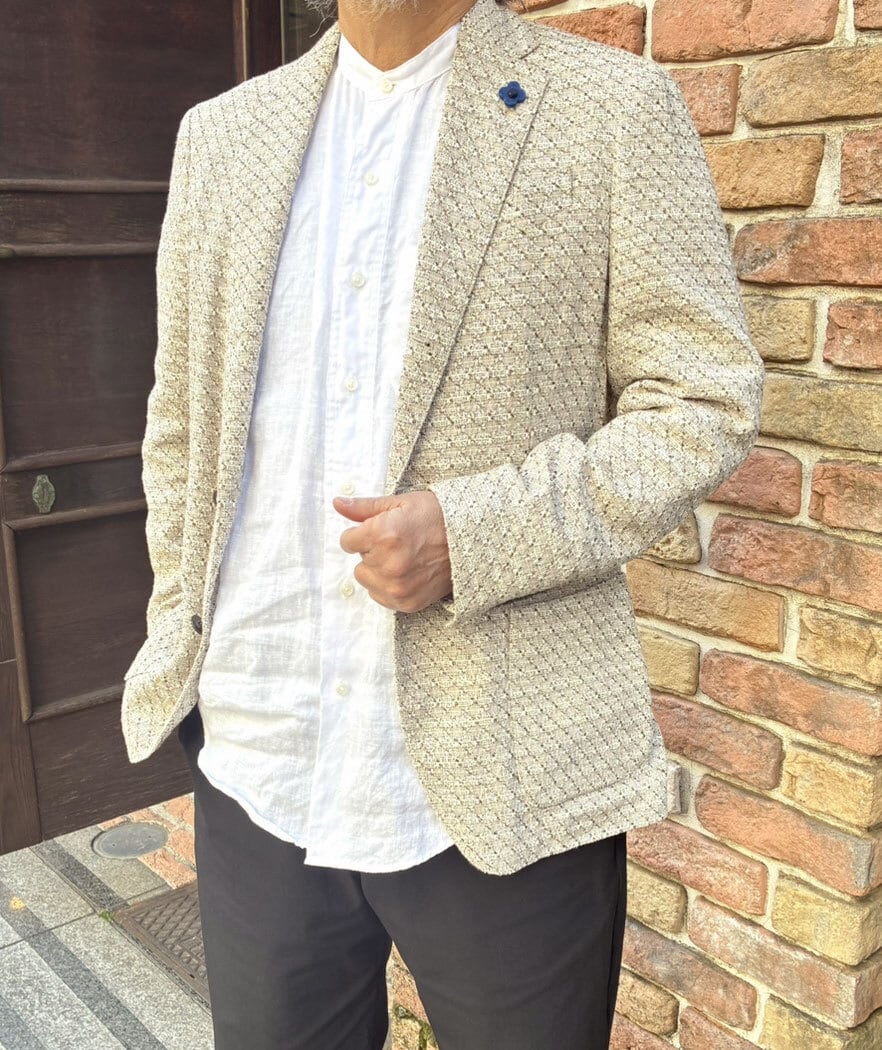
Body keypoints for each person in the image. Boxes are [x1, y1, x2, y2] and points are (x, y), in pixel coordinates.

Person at [121, 0, 765, 1046]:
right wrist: (176, 622)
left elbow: (702, 400)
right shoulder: (223, 136)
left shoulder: (609, 108)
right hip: (257, 757)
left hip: (506, 776)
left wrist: (475, 536)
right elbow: (181, 425)